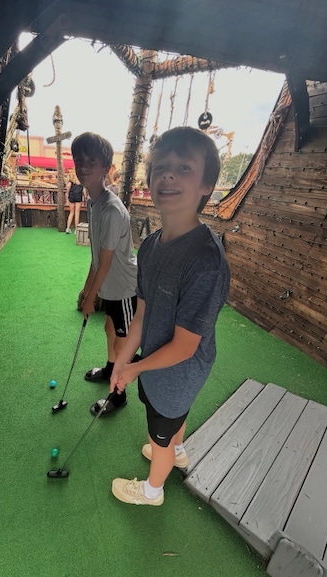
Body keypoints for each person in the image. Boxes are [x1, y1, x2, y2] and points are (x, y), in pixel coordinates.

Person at [109, 126, 230, 506]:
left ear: (206, 185)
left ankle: (152, 490)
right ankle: (176, 450)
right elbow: (142, 313)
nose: (168, 176)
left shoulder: (206, 261)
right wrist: (123, 360)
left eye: (184, 168)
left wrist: (135, 368)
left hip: (179, 372)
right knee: (171, 421)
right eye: (160, 167)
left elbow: (184, 346)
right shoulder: (149, 247)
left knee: (158, 431)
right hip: (156, 367)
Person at [71, 132, 138, 416]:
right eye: (79, 160)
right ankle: (110, 370)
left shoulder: (110, 209)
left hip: (124, 287)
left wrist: (91, 299)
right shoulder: (93, 202)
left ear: (106, 168)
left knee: (123, 343)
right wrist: (87, 291)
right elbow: (96, 256)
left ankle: (118, 396)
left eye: (92, 161)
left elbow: (106, 262)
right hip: (110, 285)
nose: (83, 166)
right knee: (110, 329)